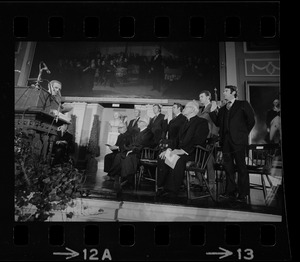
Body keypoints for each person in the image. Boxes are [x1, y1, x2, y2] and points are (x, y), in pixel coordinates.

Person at [209, 85, 255, 203]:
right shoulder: (224, 108)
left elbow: (251, 121)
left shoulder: (243, 104)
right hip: (226, 142)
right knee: (228, 167)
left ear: (233, 92)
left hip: (238, 141)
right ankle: (230, 191)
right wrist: (213, 112)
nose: (223, 93)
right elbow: (218, 123)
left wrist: (243, 134)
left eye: (226, 91)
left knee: (241, 167)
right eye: (223, 91)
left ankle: (243, 193)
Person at [157, 100, 209, 198]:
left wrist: (183, 151)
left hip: (193, 153)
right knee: (162, 157)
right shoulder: (185, 123)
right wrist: (168, 150)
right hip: (181, 152)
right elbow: (176, 140)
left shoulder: (201, 122)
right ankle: (163, 187)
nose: (183, 109)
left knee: (177, 159)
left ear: (193, 110)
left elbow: (198, 140)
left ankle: (172, 190)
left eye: (186, 107)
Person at [109, 117, 154, 191]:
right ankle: (119, 176)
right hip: (134, 151)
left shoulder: (149, 133)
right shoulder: (138, 132)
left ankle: (128, 179)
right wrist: (127, 149)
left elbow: (142, 145)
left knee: (128, 157)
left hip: (140, 153)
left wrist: (132, 150)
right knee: (120, 155)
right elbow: (132, 143)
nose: (138, 123)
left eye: (140, 121)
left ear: (144, 123)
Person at [198, 90, 219, 189]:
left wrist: (213, 138)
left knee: (209, 160)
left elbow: (216, 123)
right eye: (200, 97)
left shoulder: (212, 107)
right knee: (199, 160)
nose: (200, 98)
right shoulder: (201, 109)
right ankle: (201, 182)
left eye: (202, 96)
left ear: (208, 97)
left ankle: (211, 182)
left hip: (209, 138)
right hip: (201, 137)